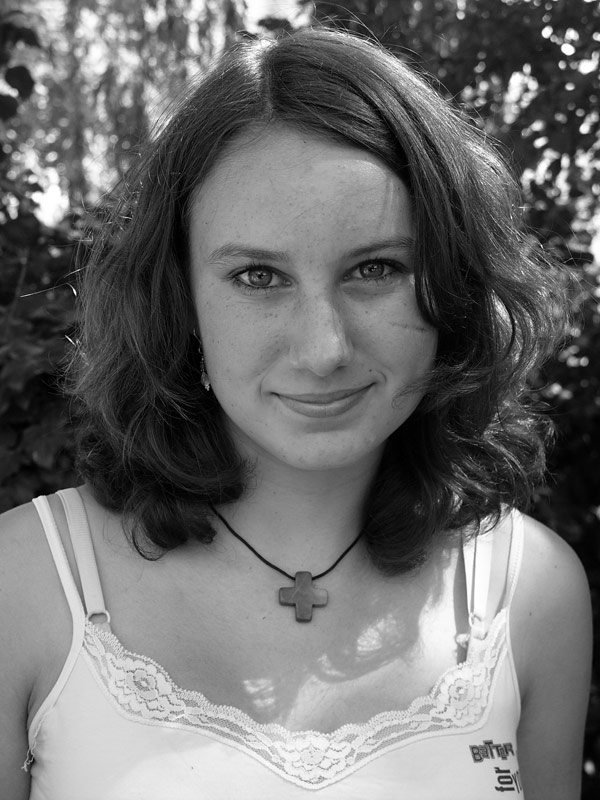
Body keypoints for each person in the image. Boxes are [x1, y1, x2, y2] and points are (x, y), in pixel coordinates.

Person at [0, 27, 592, 799]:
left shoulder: (533, 593)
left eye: (376, 268)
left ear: (451, 288)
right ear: (179, 301)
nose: (324, 348)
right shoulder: (24, 584)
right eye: (258, 276)